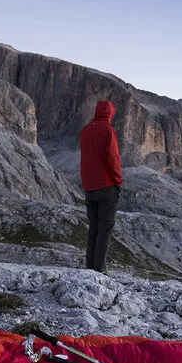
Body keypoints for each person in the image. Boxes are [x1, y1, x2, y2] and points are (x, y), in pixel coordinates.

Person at [79, 100, 122, 273]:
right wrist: (118, 182)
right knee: (105, 228)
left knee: (94, 228)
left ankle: (89, 268)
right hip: (106, 185)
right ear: (110, 113)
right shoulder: (108, 130)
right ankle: (100, 269)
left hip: (89, 187)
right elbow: (113, 158)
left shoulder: (85, 130)